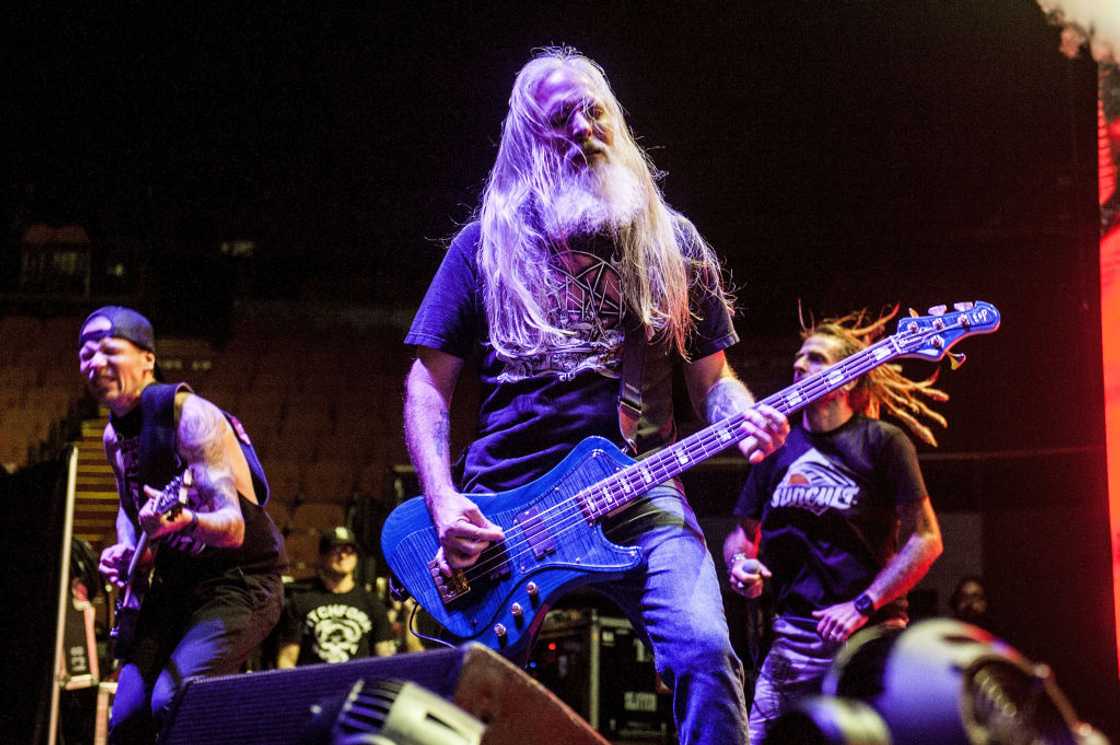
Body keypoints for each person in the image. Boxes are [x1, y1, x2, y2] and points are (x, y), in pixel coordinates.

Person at [402, 47, 788, 745]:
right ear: (529, 141)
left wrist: (741, 415)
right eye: (561, 118)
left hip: (639, 491)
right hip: (503, 507)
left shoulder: (671, 244)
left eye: (596, 110)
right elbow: (428, 387)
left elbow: (715, 382)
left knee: (704, 650)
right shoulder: (484, 247)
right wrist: (444, 501)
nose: (585, 127)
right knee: (456, 702)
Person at [723, 308, 947, 744]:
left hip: (869, 636)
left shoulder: (882, 442)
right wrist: (740, 565)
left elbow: (927, 539)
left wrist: (862, 604)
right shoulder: (777, 446)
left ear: (848, 379)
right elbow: (741, 533)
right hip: (794, 638)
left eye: (816, 358)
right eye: (799, 357)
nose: (799, 365)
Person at [83, 306, 286, 745]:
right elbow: (128, 509)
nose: (93, 362)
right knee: (128, 720)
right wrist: (126, 550)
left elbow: (232, 528)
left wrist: (186, 520)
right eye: (84, 353)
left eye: (107, 350)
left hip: (239, 583)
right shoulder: (113, 436)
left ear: (147, 359)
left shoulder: (190, 416)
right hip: (175, 588)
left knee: (174, 702)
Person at [277, 526, 394, 666]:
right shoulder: (300, 602)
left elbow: (384, 658)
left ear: (356, 557)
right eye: (336, 550)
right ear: (322, 556)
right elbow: (287, 659)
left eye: (349, 550)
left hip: (357, 684)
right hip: (314, 684)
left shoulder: (372, 603)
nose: (343, 556)